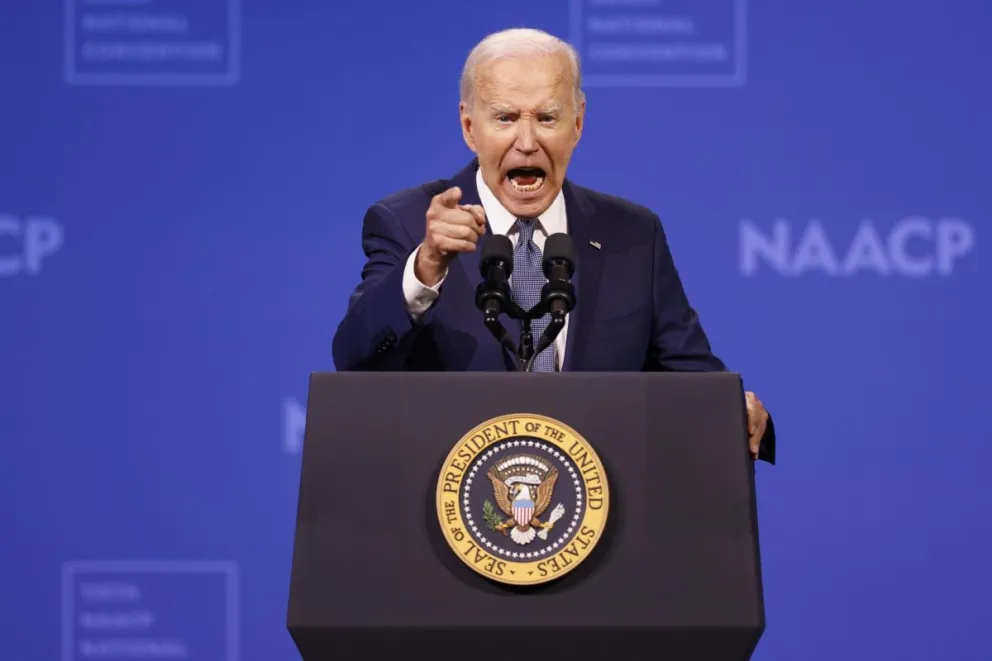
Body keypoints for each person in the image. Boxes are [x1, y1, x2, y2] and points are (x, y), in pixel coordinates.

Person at [331, 28, 775, 463]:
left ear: (577, 122)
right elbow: (354, 359)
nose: (527, 143)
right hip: (448, 497)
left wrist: (731, 408)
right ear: (469, 127)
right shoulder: (407, 223)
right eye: (505, 118)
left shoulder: (634, 235)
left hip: (599, 502)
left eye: (546, 118)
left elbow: (692, 377)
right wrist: (427, 265)